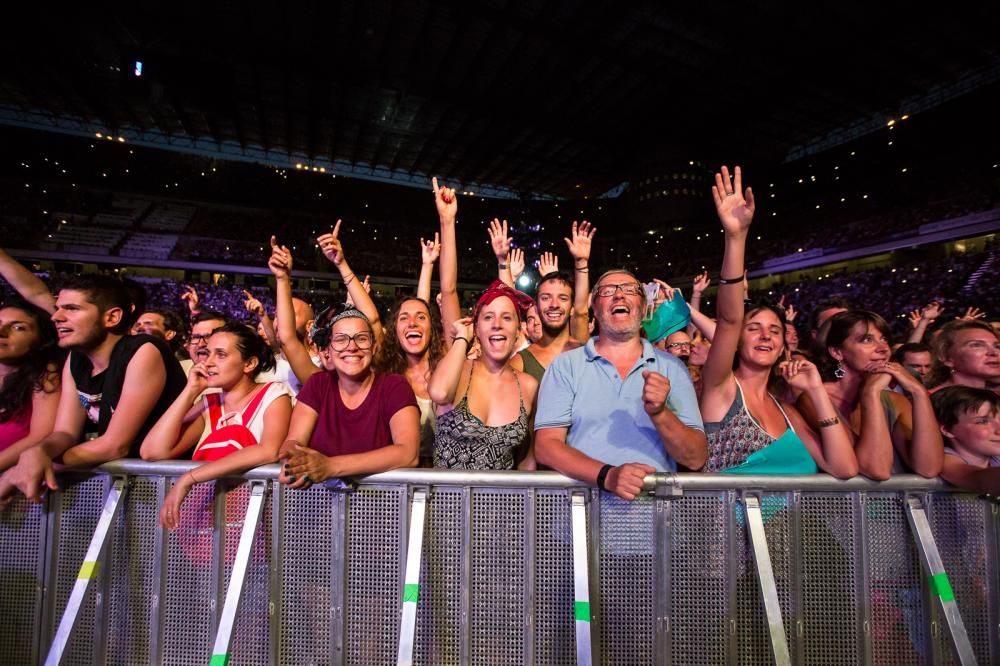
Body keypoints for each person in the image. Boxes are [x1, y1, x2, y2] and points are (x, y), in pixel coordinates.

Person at [698, 165, 858, 478]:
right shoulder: (721, 388)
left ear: (784, 344)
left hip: (793, 514)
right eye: (754, 328)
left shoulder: (788, 412)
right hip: (729, 513)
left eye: (775, 330)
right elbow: (729, 319)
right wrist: (736, 237)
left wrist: (816, 391)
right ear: (737, 341)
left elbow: (845, 467)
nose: (766, 336)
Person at [0, 275, 186, 503]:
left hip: (167, 489)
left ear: (112, 317)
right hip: (130, 488)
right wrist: (39, 452)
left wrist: (38, 463)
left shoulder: (143, 351)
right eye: (58, 308)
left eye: (72, 309)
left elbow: (115, 445)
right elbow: (65, 433)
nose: (56, 317)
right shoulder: (76, 358)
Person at [534, 269, 707, 500]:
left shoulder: (672, 368)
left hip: (655, 515)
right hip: (584, 512)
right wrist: (608, 476)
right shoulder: (565, 366)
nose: (619, 295)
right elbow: (546, 447)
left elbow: (695, 457)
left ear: (643, 308)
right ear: (595, 309)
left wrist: (660, 413)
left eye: (630, 290)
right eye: (607, 291)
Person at [140, 322, 293, 527]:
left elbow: (269, 450)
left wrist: (190, 478)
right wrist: (190, 392)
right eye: (207, 353)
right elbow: (152, 452)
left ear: (249, 364)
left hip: (258, 521)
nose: (208, 362)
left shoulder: (274, 394)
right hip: (210, 521)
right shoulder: (208, 404)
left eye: (221, 355)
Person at [278, 305, 419, 488]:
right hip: (319, 502)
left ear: (374, 347)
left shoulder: (394, 387)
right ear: (328, 351)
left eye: (361, 338)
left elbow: (408, 453)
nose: (352, 347)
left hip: (380, 502)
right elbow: (294, 440)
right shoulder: (317, 385)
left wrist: (330, 466)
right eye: (341, 339)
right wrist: (292, 460)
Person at [808, 310, 943, 479]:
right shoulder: (815, 398)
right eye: (867, 340)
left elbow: (929, 468)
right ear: (837, 352)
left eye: (884, 339)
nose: (883, 349)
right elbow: (876, 469)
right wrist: (870, 393)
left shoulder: (895, 401)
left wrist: (918, 392)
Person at [429, 280, 539, 470]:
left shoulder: (528, 386)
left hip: (503, 490)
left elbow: (527, 460)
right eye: (488, 317)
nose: (497, 324)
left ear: (518, 331)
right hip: (446, 490)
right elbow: (439, 393)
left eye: (507, 318)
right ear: (477, 329)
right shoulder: (458, 371)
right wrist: (462, 337)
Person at [0, 298, 63, 472]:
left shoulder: (46, 374)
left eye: (18, 327)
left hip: (16, 480)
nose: (1, 332)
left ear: (41, 340)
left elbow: (41, 436)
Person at [930, 386, 1000, 493]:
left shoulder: (996, 459)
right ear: (947, 430)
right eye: (983, 421)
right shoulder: (944, 460)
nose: (998, 430)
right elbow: (974, 478)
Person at [926, 320, 1000, 392]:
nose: (993, 353)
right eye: (977, 345)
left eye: (997, 346)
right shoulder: (926, 398)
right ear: (946, 357)